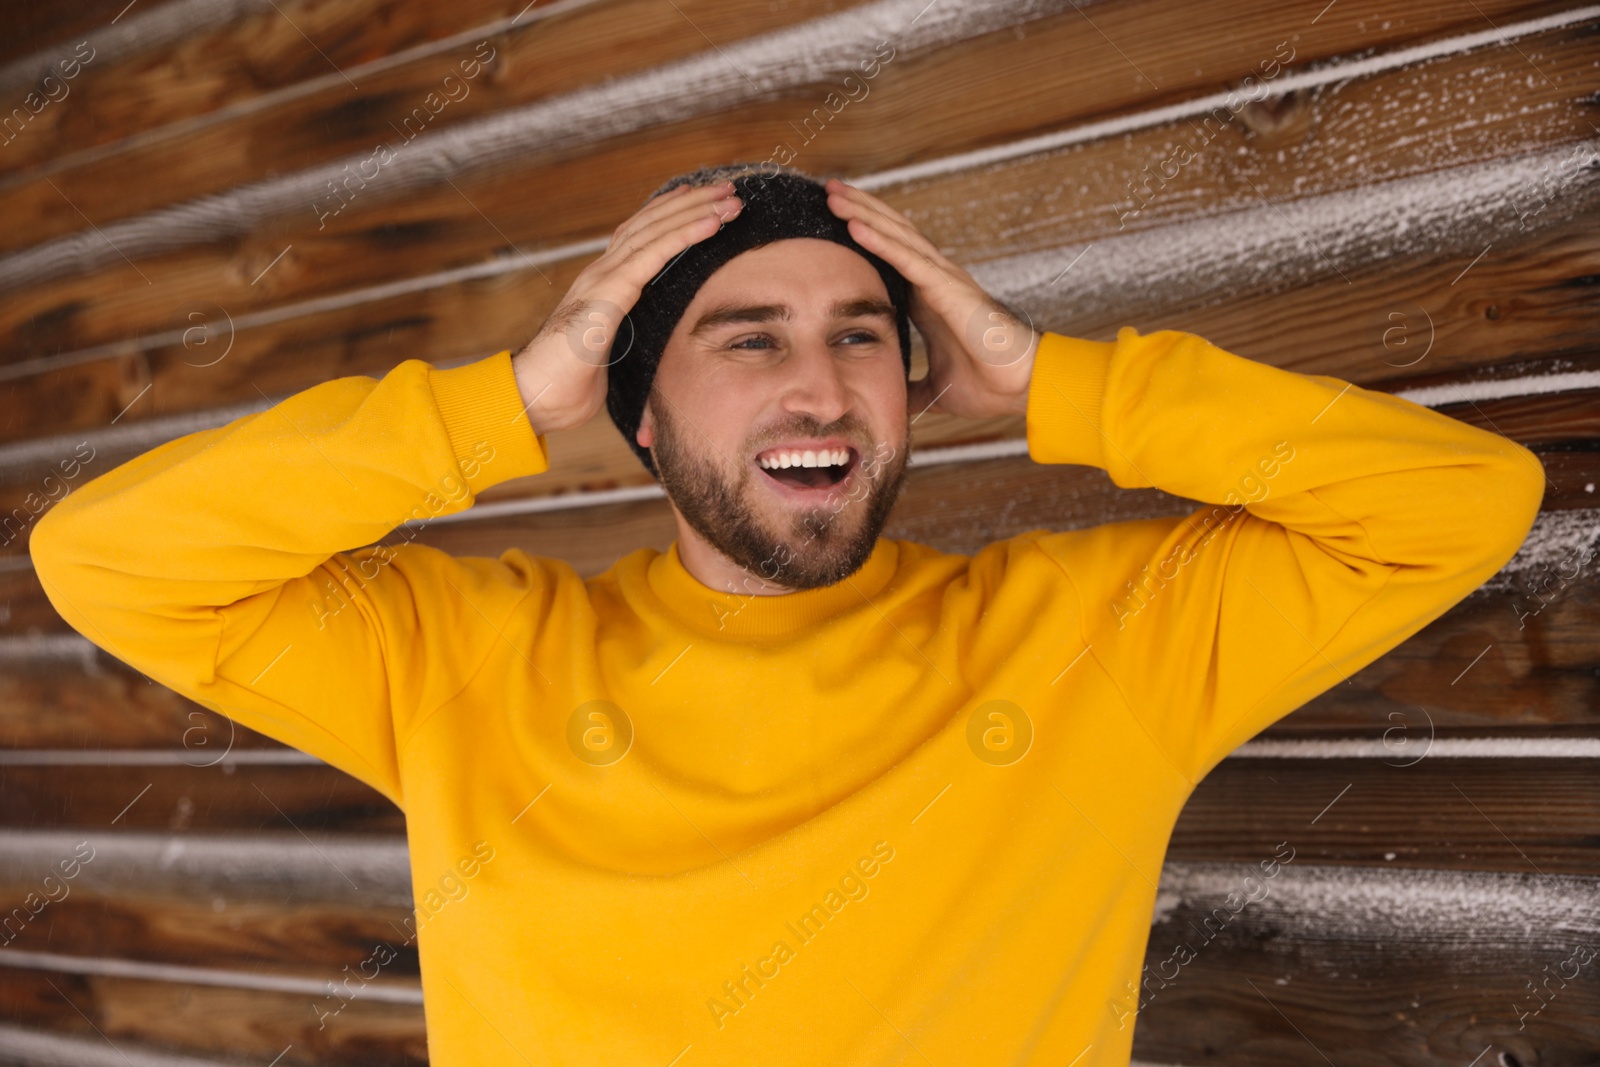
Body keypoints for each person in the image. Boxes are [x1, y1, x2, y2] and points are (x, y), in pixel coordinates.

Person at [30, 161, 1544, 1066]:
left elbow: (1463, 501)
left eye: (862, 340)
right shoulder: (464, 659)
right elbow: (109, 559)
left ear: (915, 384)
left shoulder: (1104, 638)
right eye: (745, 340)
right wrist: (503, 403)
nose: (818, 388)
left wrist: (1055, 382)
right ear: (639, 415)